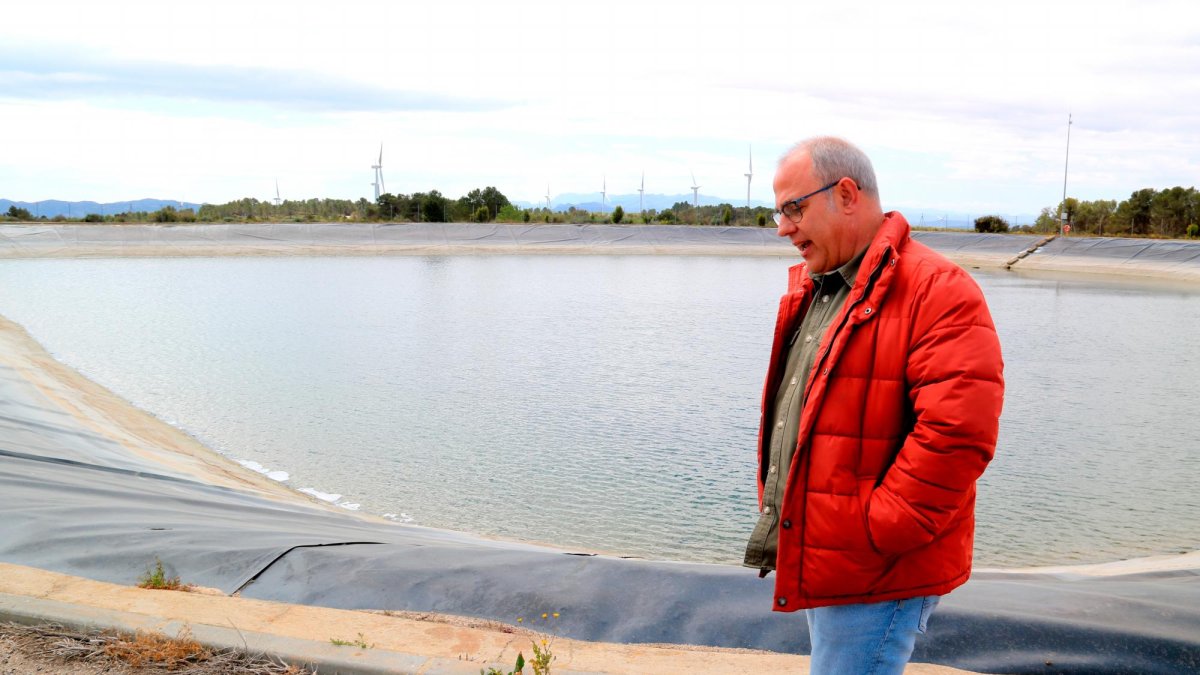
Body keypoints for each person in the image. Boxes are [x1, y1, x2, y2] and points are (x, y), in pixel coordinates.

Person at [743, 137, 1004, 674]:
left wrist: (873, 531)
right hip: (831, 553)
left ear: (846, 194)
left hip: (874, 569)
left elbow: (958, 434)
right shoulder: (826, 286)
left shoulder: (938, 290)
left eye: (794, 209)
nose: (783, 228)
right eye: (778, 212)